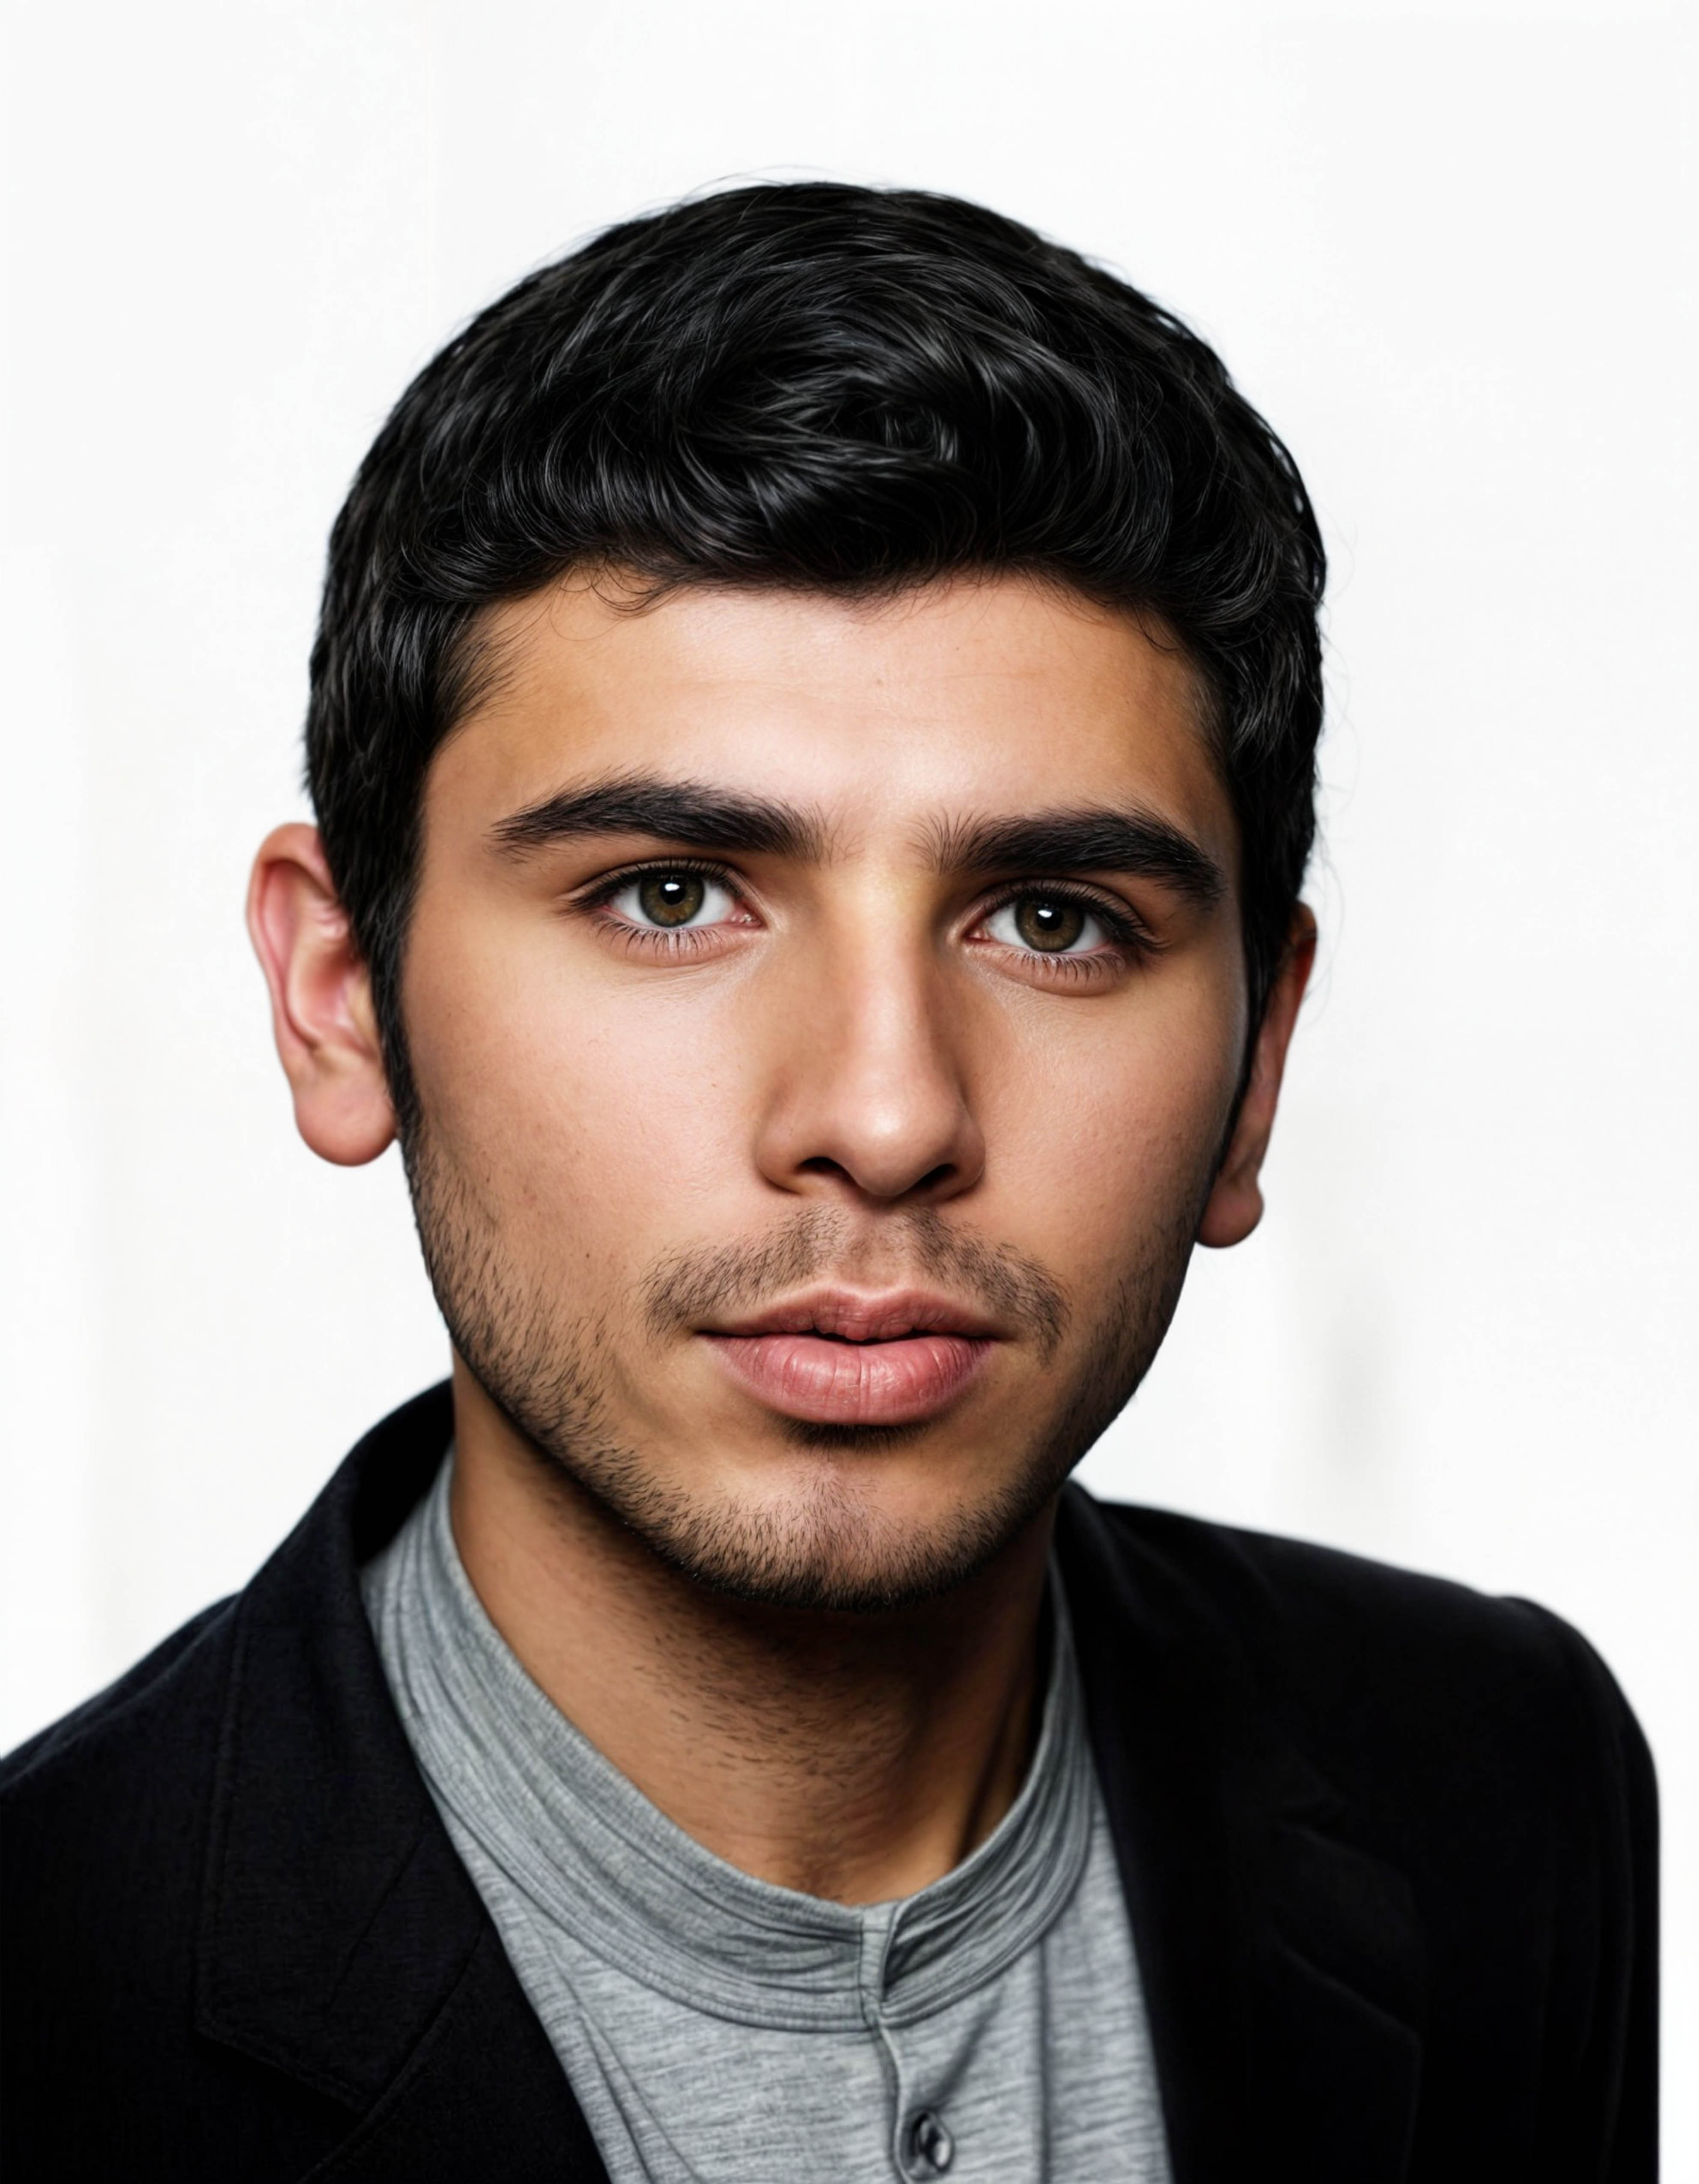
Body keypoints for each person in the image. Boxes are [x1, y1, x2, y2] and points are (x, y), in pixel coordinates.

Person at [0, 184, 1655, 2183]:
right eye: (669, 895)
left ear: (1258, 1064)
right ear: (343, 1000)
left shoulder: (1504, 1790)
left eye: (1053, 918)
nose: (883, 1114)